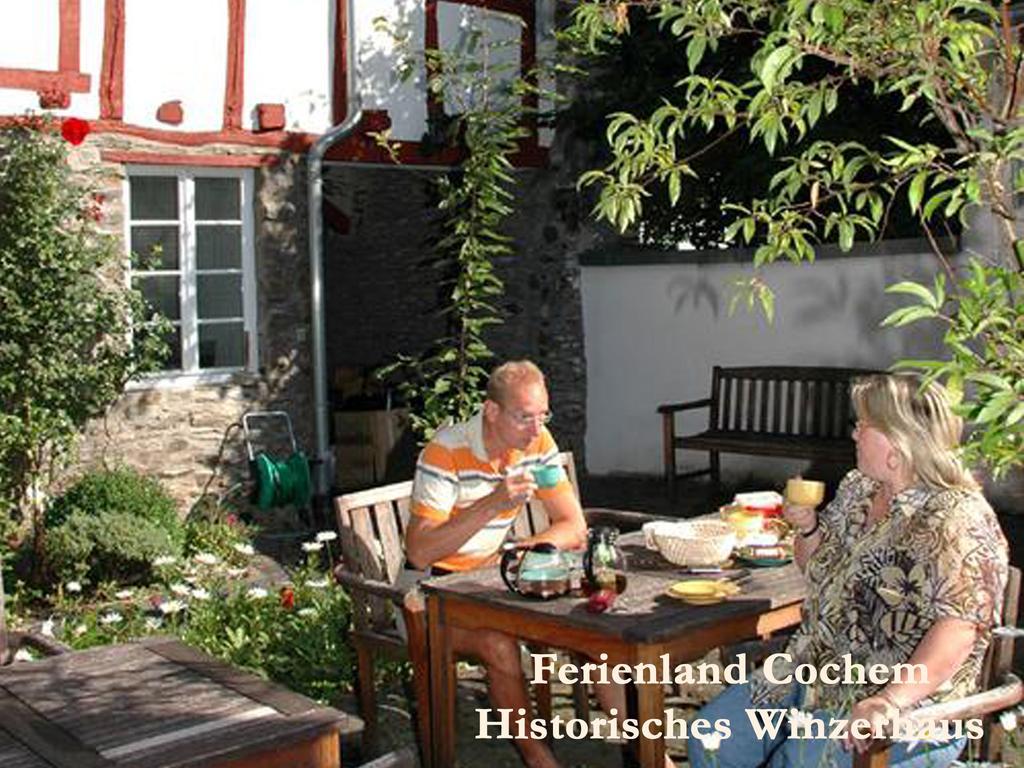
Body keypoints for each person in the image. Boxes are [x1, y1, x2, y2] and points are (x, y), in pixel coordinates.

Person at [689, 374, 1009, 768]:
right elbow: (819, 567)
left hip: (906, 707)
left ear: (900, 439)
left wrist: (888, 700)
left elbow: (959, 629)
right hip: (809, 674)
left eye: (864, 425)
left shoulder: (956, 516)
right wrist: (807, 527)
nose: (854, 435)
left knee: (800, 762)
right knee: (712, 739)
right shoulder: (859, 488)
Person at [404, 360, 588, 768]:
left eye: (543, 416)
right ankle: (539, 759)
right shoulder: (446, 451)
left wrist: (518, 552)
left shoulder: (537, 445)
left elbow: (573, 526)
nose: (536, 429)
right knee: (498, 645)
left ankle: (649, 751)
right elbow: (419, 553)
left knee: (596, 626)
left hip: (491, 582)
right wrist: (493, 504)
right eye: (525, 417)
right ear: (491, 411)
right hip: (430, 595)